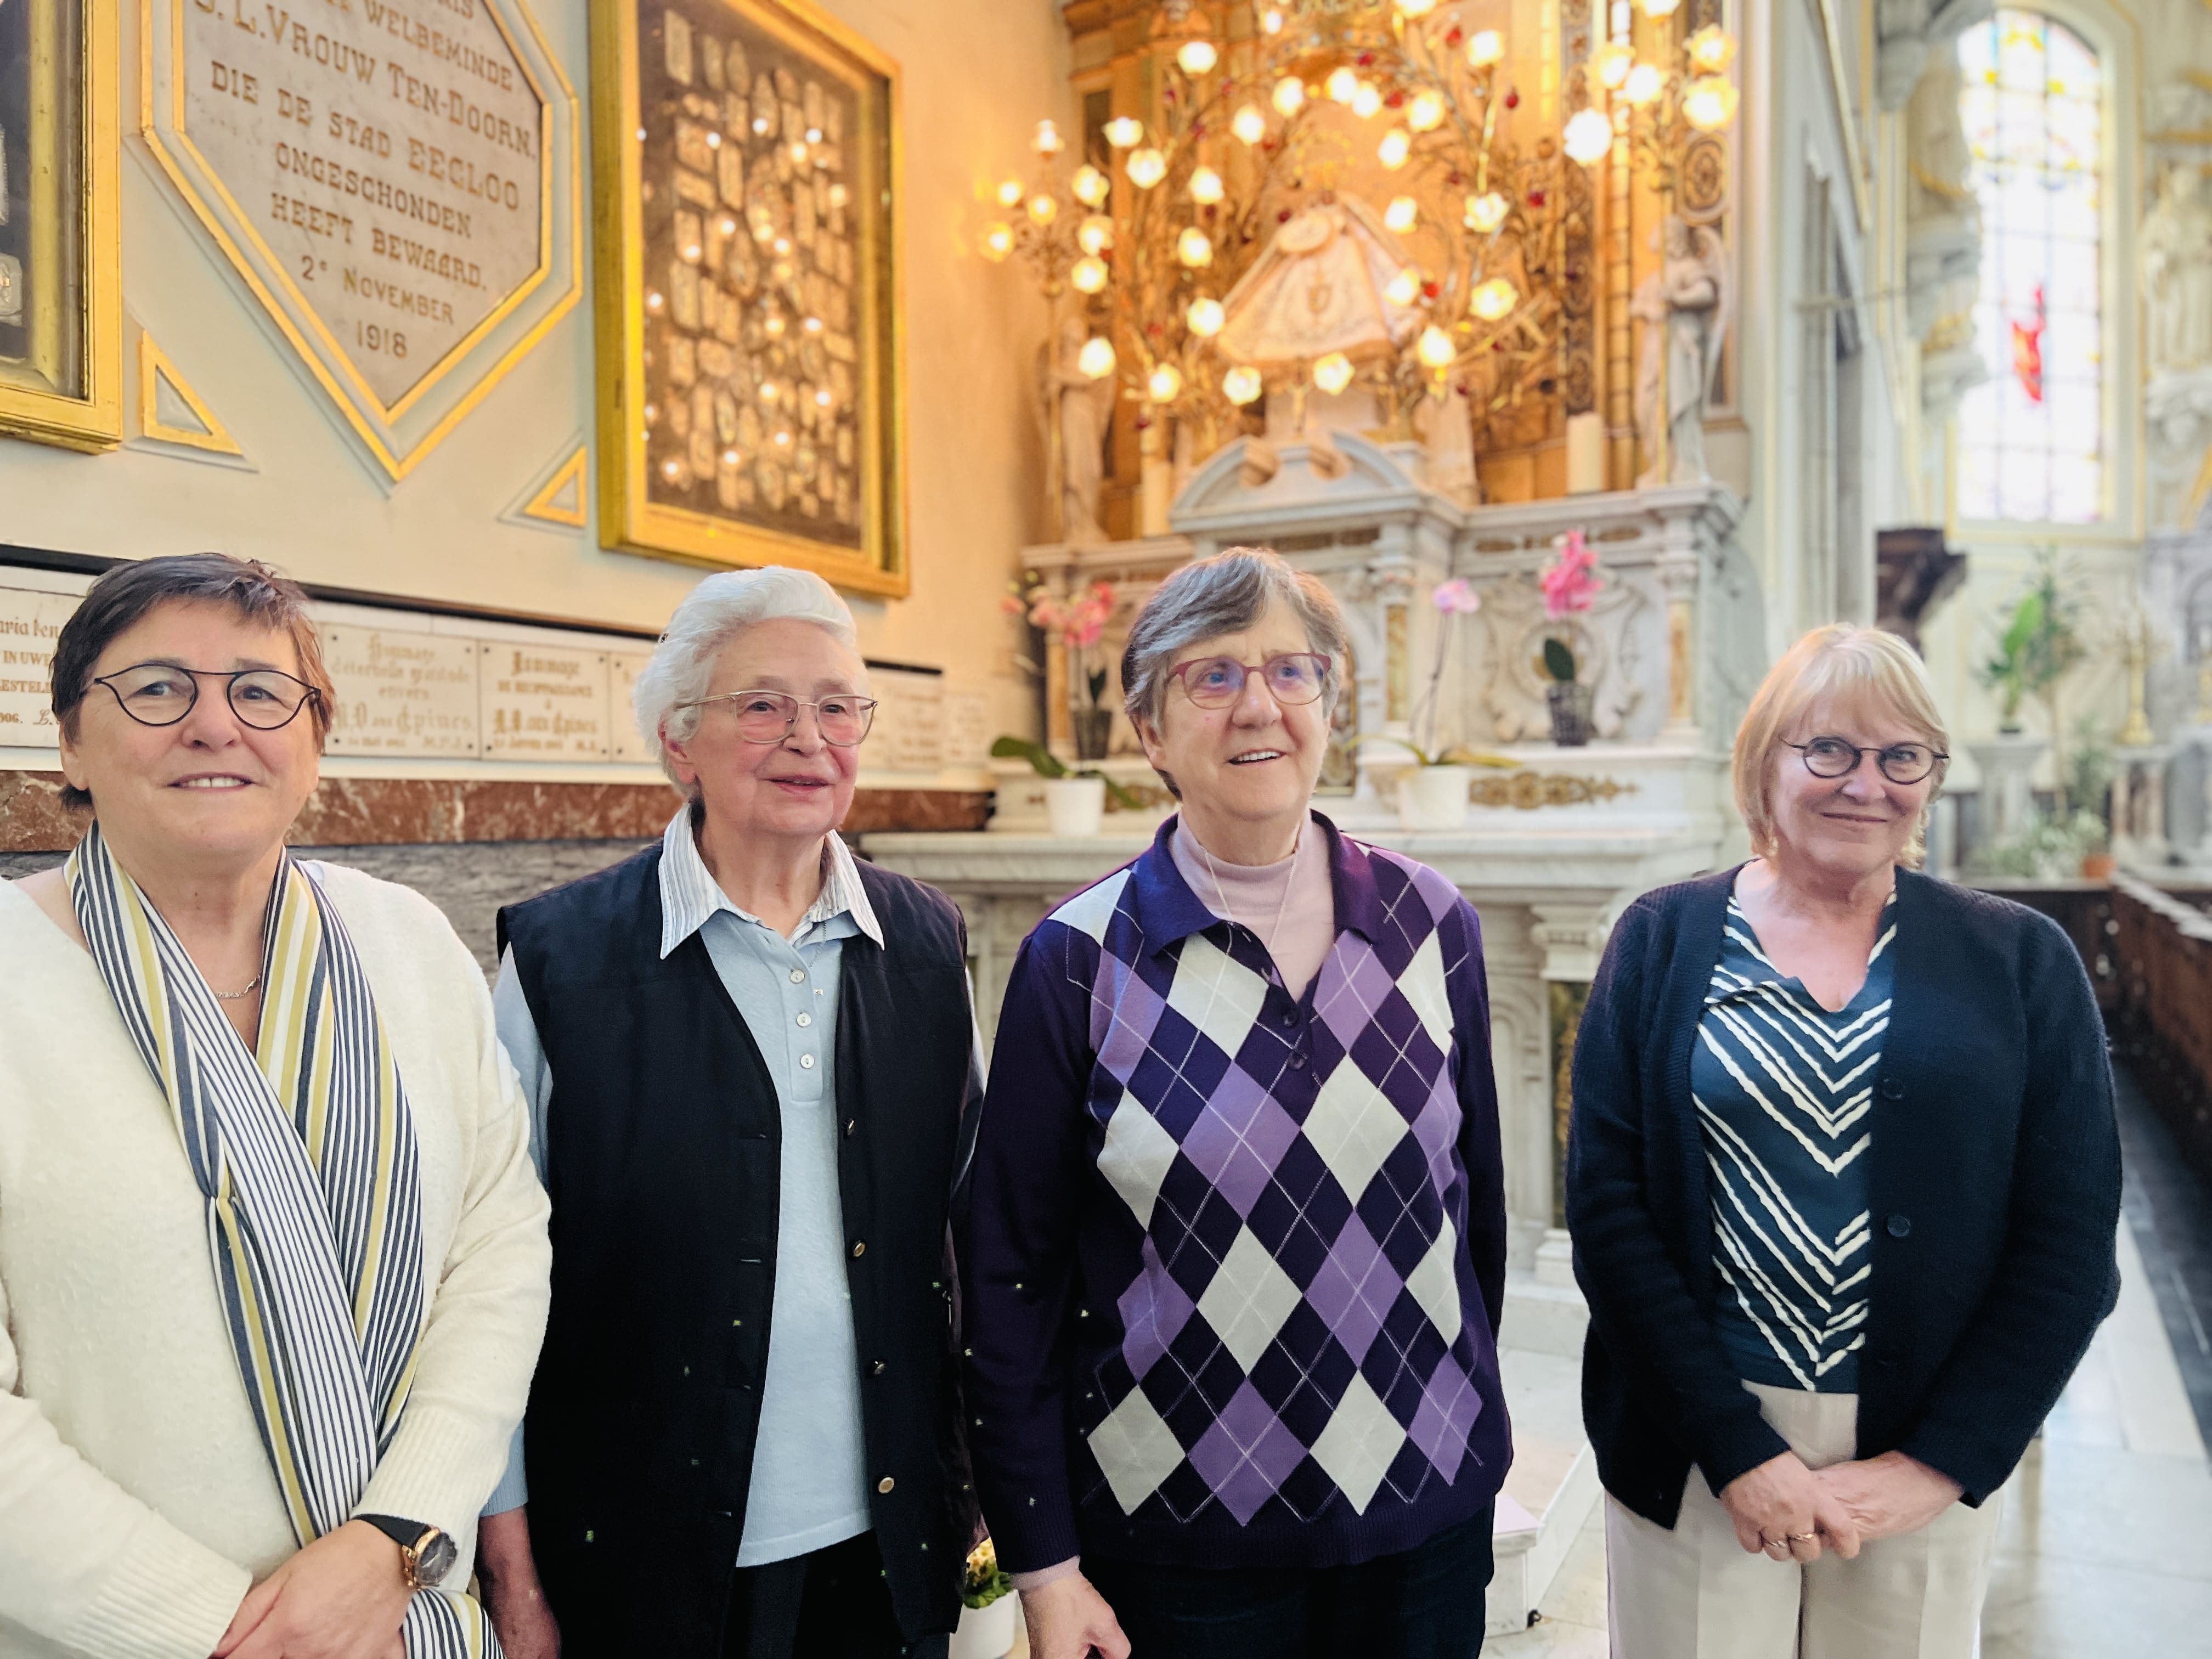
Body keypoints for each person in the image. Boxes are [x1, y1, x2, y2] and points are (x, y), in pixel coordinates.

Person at [962, 547, 1512, 1659]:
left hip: (1423, 1512)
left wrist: (1452, 1425)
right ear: (1150, 730)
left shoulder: (1428, 920)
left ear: (1329, 705)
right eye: (1211, 675)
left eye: (1292, 671)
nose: (1258, 703)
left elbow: (1476, 1219)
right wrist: (1044, 1564)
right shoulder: (1078, 958)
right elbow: (1010, 1278)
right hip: (1178, 1533)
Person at [0, 553, 551, 1658]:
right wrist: (238, 1633)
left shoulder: (407, 946)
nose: (215, 726)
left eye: (260, 692)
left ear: (311, 743)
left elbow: (497, 1254)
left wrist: (395, 1539)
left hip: (410, 1605)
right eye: (156, 690)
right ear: (69, 742)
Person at [1566, 624, 2121, 1657]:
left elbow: (2072, 1241)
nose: (1866, 784)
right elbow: (1609, 1209)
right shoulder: (1662, 937)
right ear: (1763, 760)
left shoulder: (2020, 960)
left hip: (1922, 1431)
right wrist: (1736, 1450)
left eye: (1900, 756)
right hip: (1694, 1437)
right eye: (1828, 750)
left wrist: (1938, 1466)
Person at [475, 567, 978, 1659]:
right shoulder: (561, 963)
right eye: (763, 706)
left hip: (889, 1551)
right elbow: (487, 1278)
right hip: (642, 1557)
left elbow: (968, 1237)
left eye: (838, 706)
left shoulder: (929, 947)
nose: (809, 737)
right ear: (677, 741)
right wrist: (510, 1567)